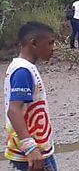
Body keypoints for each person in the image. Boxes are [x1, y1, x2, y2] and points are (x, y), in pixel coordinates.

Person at [5, 22, 57, 171]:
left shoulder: (26, 68)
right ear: (34, 43)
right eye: (50, 43)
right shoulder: (22, 71)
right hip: (32, 154)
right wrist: (30, 147)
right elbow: (13, 110)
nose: (53, 48)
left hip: (37, 150)